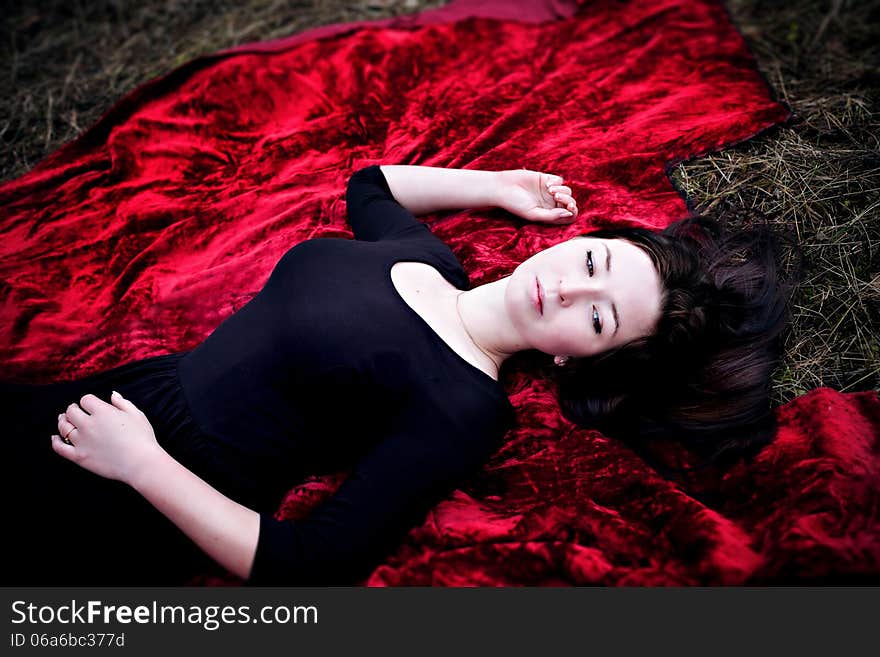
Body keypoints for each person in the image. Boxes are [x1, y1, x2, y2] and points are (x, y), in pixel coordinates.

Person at [1, 164, 791, 585]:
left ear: (581, 357)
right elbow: (370, 185)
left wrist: (142, 466)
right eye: (593, 260)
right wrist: (494, 185)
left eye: (597, 318)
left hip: (149, 479)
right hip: (134, 391)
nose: (571, 286)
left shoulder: (464, 408)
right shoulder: (426, 256)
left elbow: (312, 564)